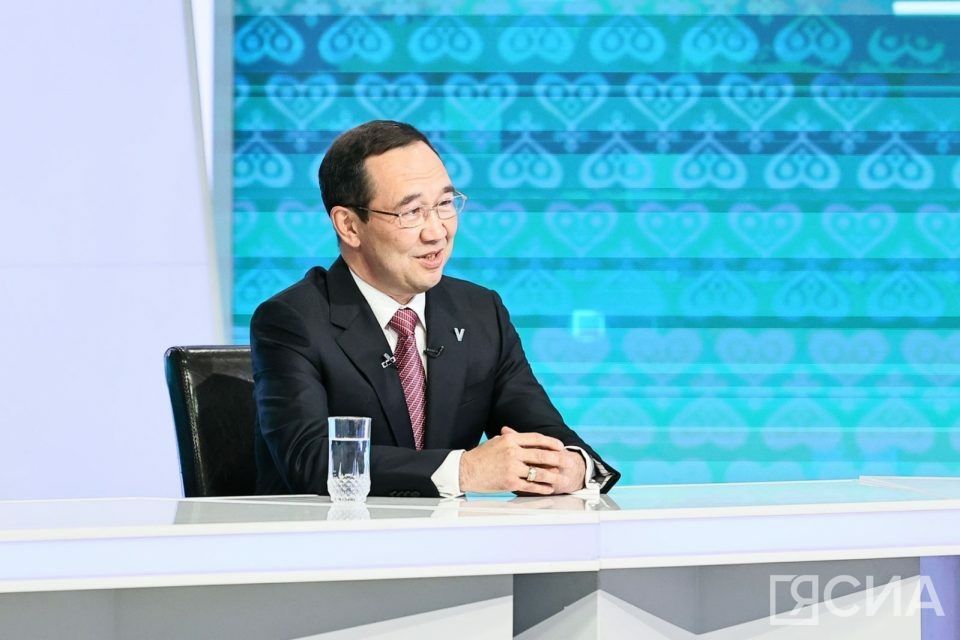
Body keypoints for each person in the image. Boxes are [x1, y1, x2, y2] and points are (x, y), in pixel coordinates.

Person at [251, 120, 619, 497]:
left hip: (449, 534)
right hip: (333, 532)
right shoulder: (293, 320)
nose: (437, 232)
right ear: (349, 226)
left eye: (444, 204)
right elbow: (310, 460)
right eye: (411, 212)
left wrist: (576, 468)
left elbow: (546, 435)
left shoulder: (480, 312)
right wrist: (464, 470)